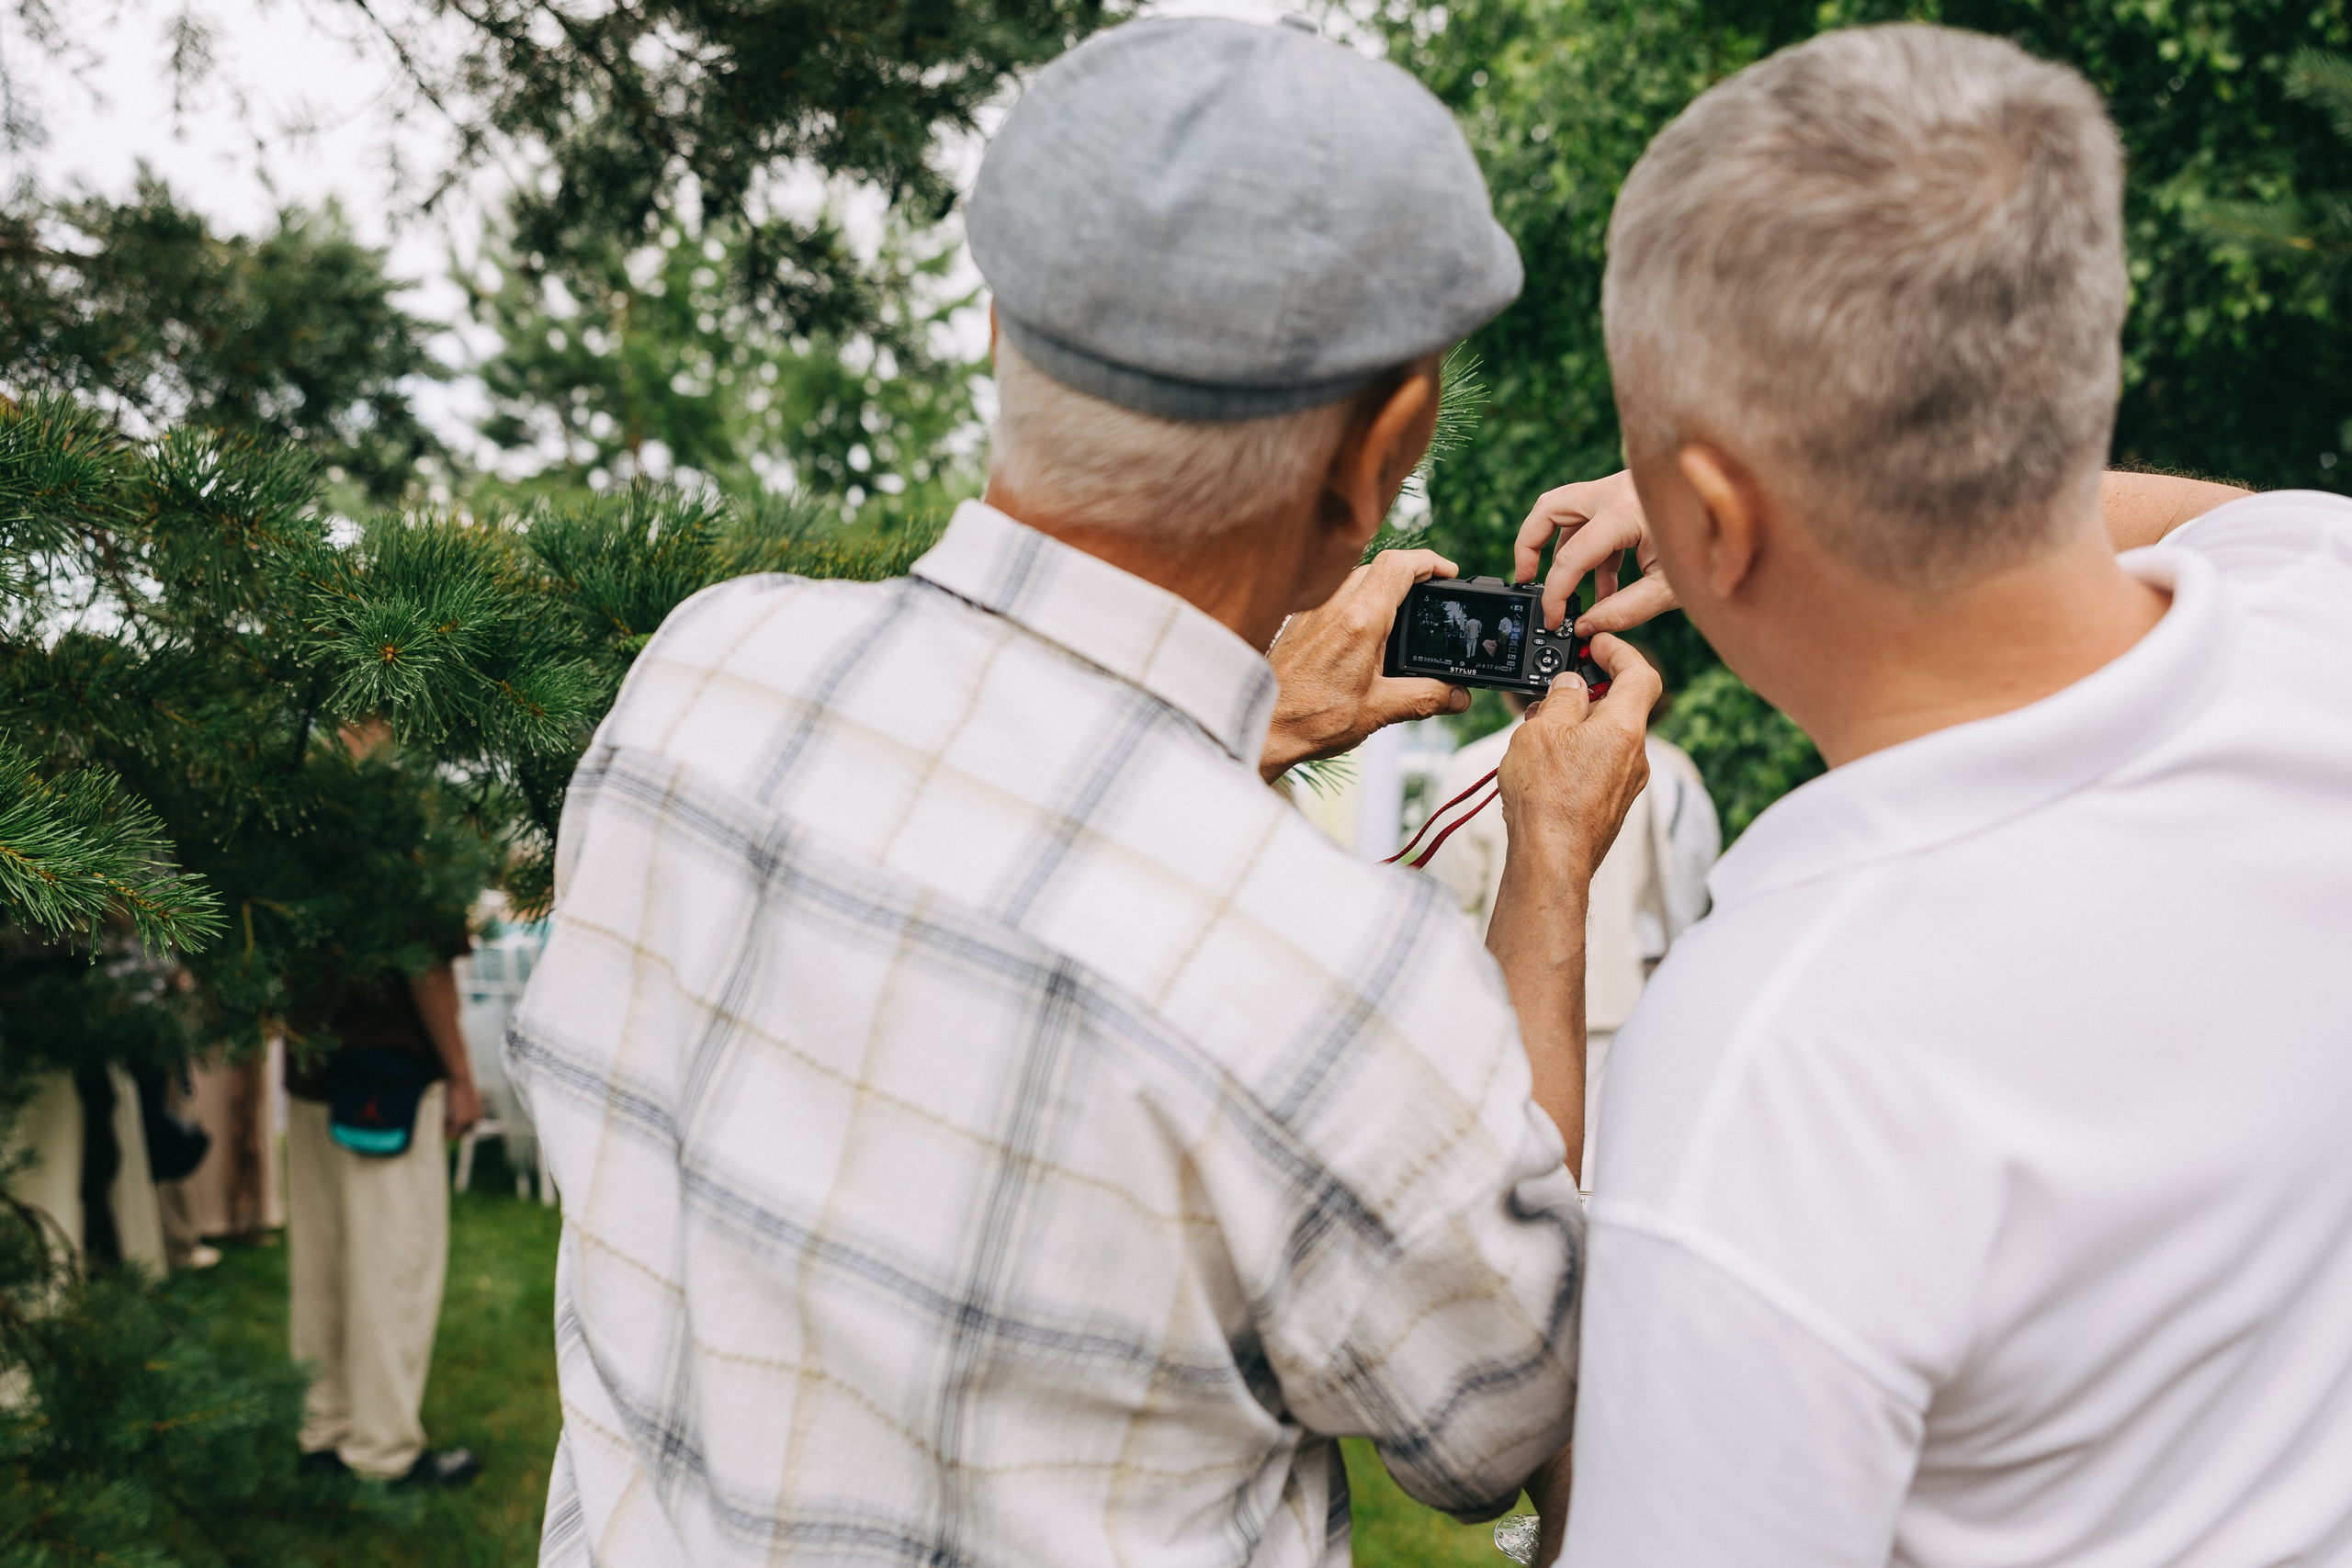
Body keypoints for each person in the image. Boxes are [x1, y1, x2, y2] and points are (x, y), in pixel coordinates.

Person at [507, 17, 1655, 1566]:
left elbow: (980, 896)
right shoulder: (1326, 968)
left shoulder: (705, 673)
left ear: (998, 327)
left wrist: (1235, 736)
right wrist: (1553, 869)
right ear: (1378, 446)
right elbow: (1497, 1415)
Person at [1510, 25, 2352, 1566]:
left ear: (1708, 514)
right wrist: (1798, 490)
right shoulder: (2325, 627)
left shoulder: (1782, 1059)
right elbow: (2265, 528)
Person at [283, 725, 486, 1487]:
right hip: (389, 1077)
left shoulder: (292, 809)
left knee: (324, 1266)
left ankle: (324, 1431)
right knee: (390, 1268)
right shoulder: (400, 816)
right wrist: (462, 1074)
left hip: (311, 1069)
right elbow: (426, 965)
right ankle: (382, 1448)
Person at [1425, 676, 1718, 1187]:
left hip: (1507, 994)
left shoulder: (1474, 764)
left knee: (1509, 1162)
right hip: (1612, 991)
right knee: (1594, 1171)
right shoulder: (1635, 768)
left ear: (1508, 688)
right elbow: (1662, 888)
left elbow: (1446, 895)